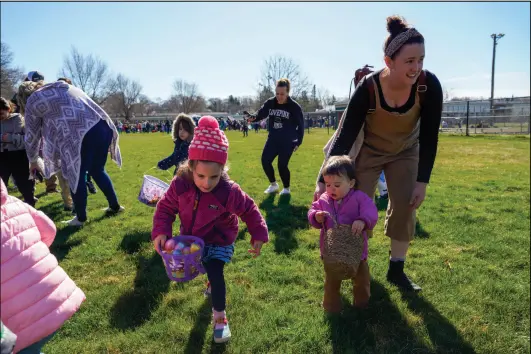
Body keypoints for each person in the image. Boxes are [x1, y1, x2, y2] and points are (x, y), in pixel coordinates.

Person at [315, 15, 443, 292]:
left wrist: (422, 182)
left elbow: (430, 137)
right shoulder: (369, 88)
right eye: (409, 61)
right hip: (369, 151)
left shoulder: (428, 86)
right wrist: (320, 183)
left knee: (406, 206)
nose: (416, 67)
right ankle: (356, 262)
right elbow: (345, 136)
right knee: (353, 206)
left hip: (406, 151)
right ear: (389, 61)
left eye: (421, 59)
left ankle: (397, 269)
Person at [152, 116, 269, 344]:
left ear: (223, 169)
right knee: (205, 269)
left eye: (214, 176)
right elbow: (165, 208)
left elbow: (249, 210)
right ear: (191, 166)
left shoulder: (228, 191)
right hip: (192, 240)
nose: (206, 183)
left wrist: (258, 233)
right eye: (201, 176)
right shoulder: (181, 184)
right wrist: (161, 231)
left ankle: (220, 319)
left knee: (216, 272)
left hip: (219, 240)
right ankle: (210, 283)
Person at [18, 80, 124, 227]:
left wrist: (33, 159)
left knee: (75, 174)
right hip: (102, 126)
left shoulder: (33, 100)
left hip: (80, 134)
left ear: (22, 98)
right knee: (97, 170)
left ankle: (80, 218)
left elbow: (31, 135)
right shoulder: (62, 87)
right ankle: (115, 206)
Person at [0, 180, 86, 353]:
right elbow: (49, 229)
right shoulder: (13, 202)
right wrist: (30, 254)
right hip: (56, 296)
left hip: (19, 323)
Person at [309, 156, 378, 312]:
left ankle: (361, 304)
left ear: (351, 183)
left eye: (337, 185)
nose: (331, 189)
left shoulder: (359, 198)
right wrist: (315, 216)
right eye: (327, 184)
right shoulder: (324, 199)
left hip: (356, 252)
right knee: (331, 280)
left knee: (361, 279)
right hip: (332, 252)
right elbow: (312, 211)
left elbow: (371, 212)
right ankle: (330, 306)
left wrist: (363, 220)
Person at [246, 78, 305, 195]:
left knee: (282, 165)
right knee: (265, 161)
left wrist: (298, 142)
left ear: (288, 92)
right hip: (273, 139)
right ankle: (273, 185)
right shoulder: (270, 103)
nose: (279, 96)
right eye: (277, 93)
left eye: (282, 94)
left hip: (287, 141)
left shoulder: (294, 107)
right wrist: (253, 118)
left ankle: (286, 188)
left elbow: (301, 126)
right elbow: (260, 114)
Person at [0, 97, 36, 206]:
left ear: (8, 109)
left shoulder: (18, 119)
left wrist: (8, 138)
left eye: (1, 113)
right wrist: (6, 138)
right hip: (2, 156)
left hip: (18, 155)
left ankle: (30, 204)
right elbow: (12, 138)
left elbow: (23, 140)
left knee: (24, 183)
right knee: (2, 183)